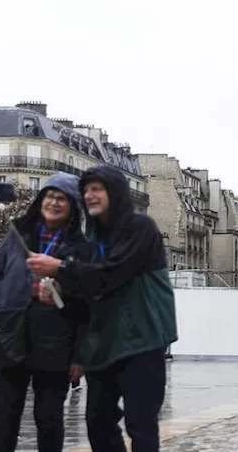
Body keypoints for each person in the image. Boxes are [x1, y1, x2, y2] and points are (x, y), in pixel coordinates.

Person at [28, 164, 176, 452]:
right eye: (85, 190)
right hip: (105, 343)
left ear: (115, 192)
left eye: (96, 189)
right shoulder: (94, 238)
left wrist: (60, 268)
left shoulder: (140, 227)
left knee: (140, 422)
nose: (89, 195)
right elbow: (90, 287)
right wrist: (61, 290)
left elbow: (112, 273)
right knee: (98, 420)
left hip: (142, 339)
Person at [0, 174, 89, 452]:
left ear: (73, 206)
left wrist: (61, 290)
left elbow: (88, 305)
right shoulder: (19, 233)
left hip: (55, 340)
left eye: (62, 198)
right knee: (5, 414)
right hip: (10, 331)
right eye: (49, 196)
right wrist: (3, 298)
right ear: (40, 200)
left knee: (49, 417)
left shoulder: (80, 248)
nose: (53, 202)